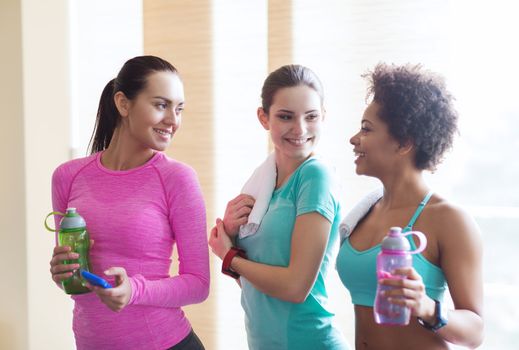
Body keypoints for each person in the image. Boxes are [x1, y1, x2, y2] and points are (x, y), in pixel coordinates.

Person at [48, 55, 210, 350]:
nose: (173, 120)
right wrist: (62, 272)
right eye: (161, 105)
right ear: (123, 104)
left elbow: (198, 284)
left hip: (166, 343)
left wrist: (133, 289)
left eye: (179, 109)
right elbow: (74, 278)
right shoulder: (67, 176)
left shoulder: (177, 178)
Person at [336, 63, 484, 349]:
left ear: (404, 143)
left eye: (366, 129)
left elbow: (475, 330)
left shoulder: (450, 220)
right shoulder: (364, 212)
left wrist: (427, 307)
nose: (354, 139)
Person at [209, 64, 348, 350]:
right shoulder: (263, 184)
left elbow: (295, 288)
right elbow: (259, 290)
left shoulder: (315, 176)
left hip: (310, 342)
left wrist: (229, 256)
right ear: (264, 117)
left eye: (311, 116)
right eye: (286, 117)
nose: (300, 129)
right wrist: (232, 238)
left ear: (323, 116)